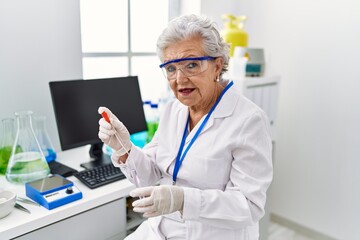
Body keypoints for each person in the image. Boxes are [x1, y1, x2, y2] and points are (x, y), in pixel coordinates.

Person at [98, 14, 273, 240]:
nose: (179, 79)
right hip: (159, 229)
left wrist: (182, 200)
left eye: (192, 65)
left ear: (217, 65)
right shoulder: (174, 110)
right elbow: (150, 175)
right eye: (170, 68)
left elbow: (248, 206)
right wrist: (124, 148)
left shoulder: (248, 121)